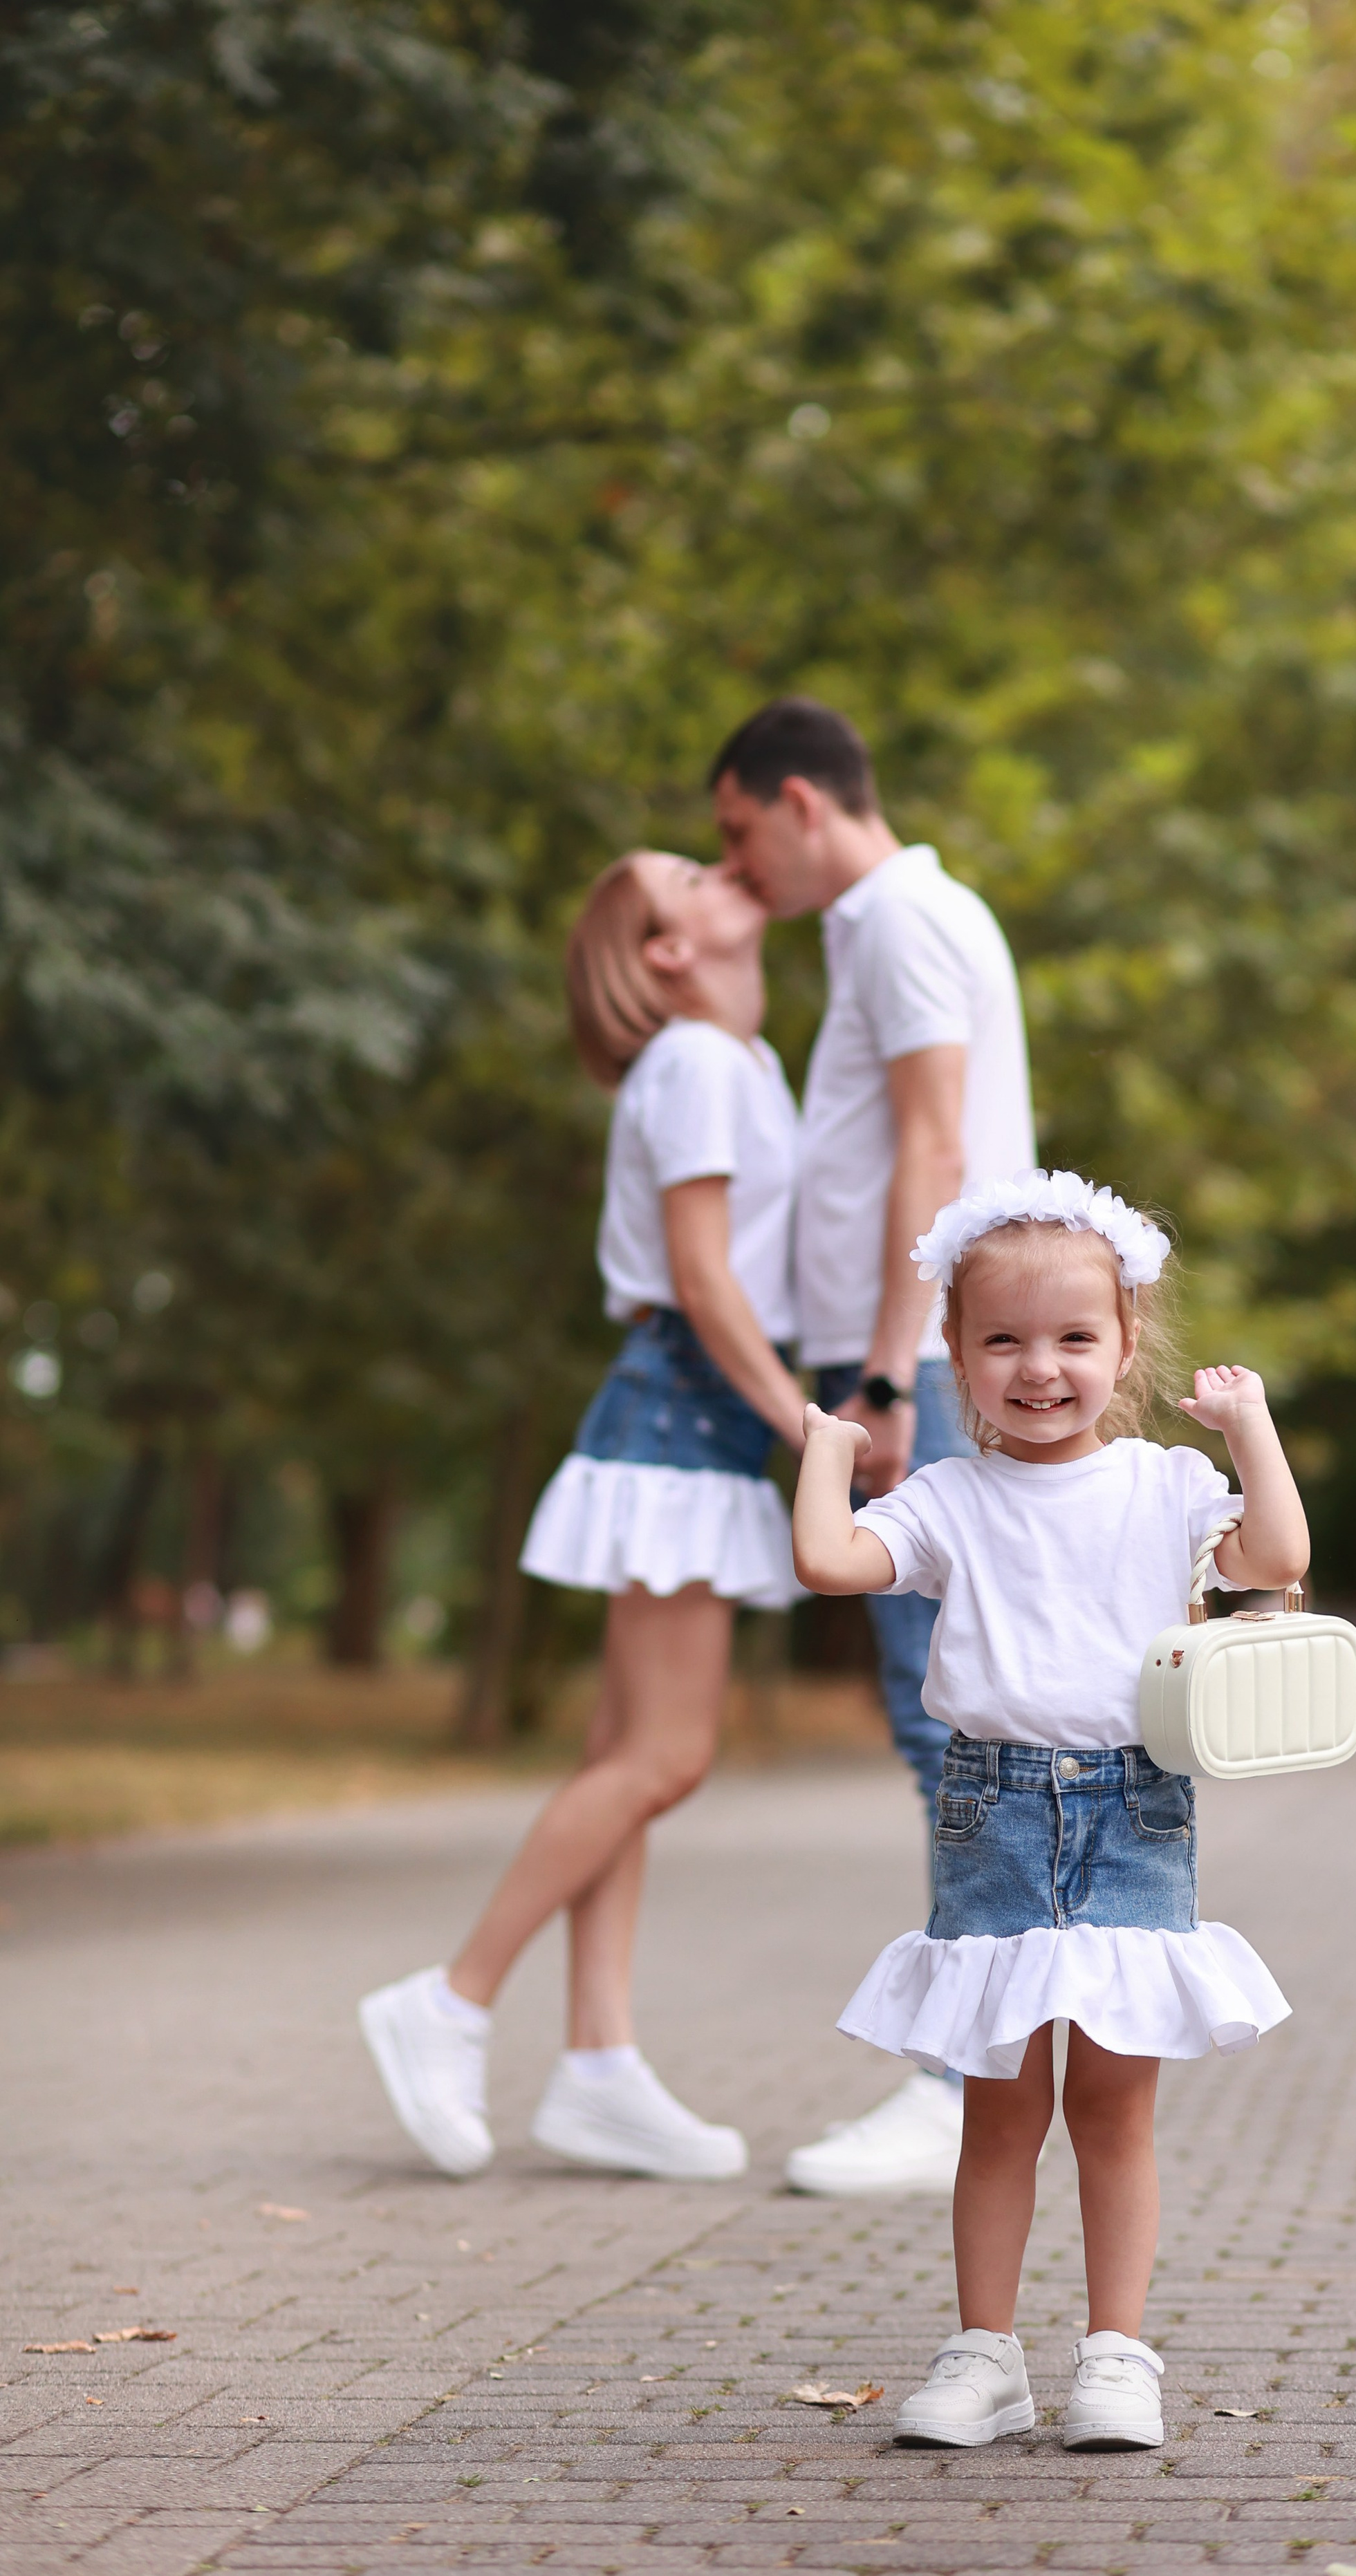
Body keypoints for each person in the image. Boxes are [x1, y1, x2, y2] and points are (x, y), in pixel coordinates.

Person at [792, 1170, 1308, 2449]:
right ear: (958, 1355)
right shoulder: (948, 1499)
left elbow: (1278, 1560)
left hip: (1136, 1814)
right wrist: (828, 1458)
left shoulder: (1164, 1484)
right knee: (1000, 2111)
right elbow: (829, 1560)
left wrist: (1249, 1428)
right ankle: (986, 2355)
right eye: (1004, 1340)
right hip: (996, 1814)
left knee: (1114, 2111)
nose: (1040, 1368)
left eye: (1075, 1336)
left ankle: (1117, 2356)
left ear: (1125, 1345)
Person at [358, 849, 806, 2182]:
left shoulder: (738, 1061)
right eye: (694, 876)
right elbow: (702, 1277)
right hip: (684, 1407)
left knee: (627, 1756)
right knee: (664, 1759)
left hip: (691, 1414)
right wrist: (807, 1425)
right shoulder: (701, 1062)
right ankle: (450, 2000)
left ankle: (599, 2066)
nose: (729, 870)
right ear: (666, 951)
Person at [711, 696, 1036, 2196]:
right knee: (953, 1723)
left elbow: (932, 1142)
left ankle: (960, 2083)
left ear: (801, 800)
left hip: (914, 1362)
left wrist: (889, 1374)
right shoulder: (895, 921)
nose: (738, 868)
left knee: (947, 1723)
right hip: (913, 1355)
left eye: (739, 832)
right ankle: (979, 2068)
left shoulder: (900, 918)